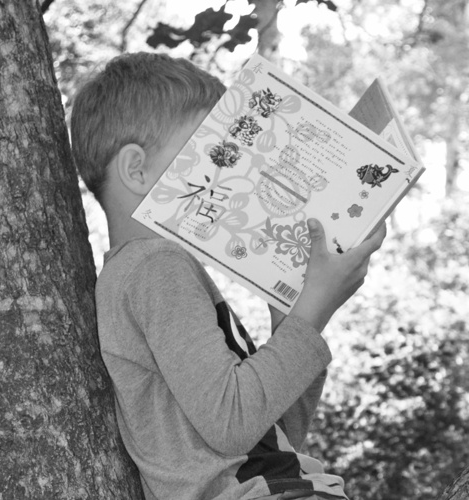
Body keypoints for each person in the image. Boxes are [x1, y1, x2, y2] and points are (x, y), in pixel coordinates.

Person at [70, 52, 384, 500]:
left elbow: (270, 434)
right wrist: (312, 312)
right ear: (136, 169)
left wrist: (289, 321)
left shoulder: (154, 269)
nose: (231, 170)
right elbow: (231, 424)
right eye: (208, 152)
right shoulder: (155, 268)